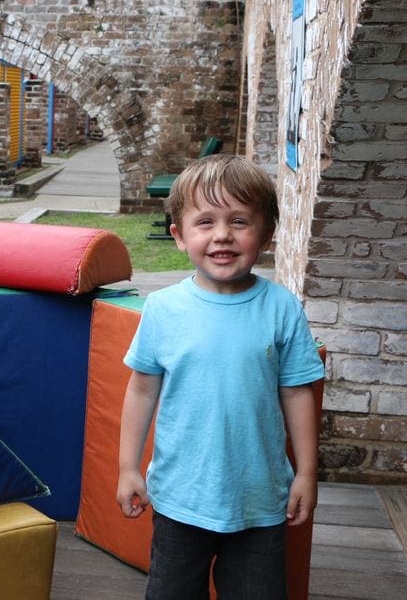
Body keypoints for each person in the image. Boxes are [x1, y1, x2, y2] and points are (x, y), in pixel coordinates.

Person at [116, 154, 324, 599]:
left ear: (267, 234)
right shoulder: (163, 309)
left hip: (261, 500)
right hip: (180, 497)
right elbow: (141, 390)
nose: (222, 235)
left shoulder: (281, 308)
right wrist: (127, 468)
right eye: (205, 221)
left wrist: (306, 473)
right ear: (179, 235)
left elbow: (297, 393)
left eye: (239, 221)